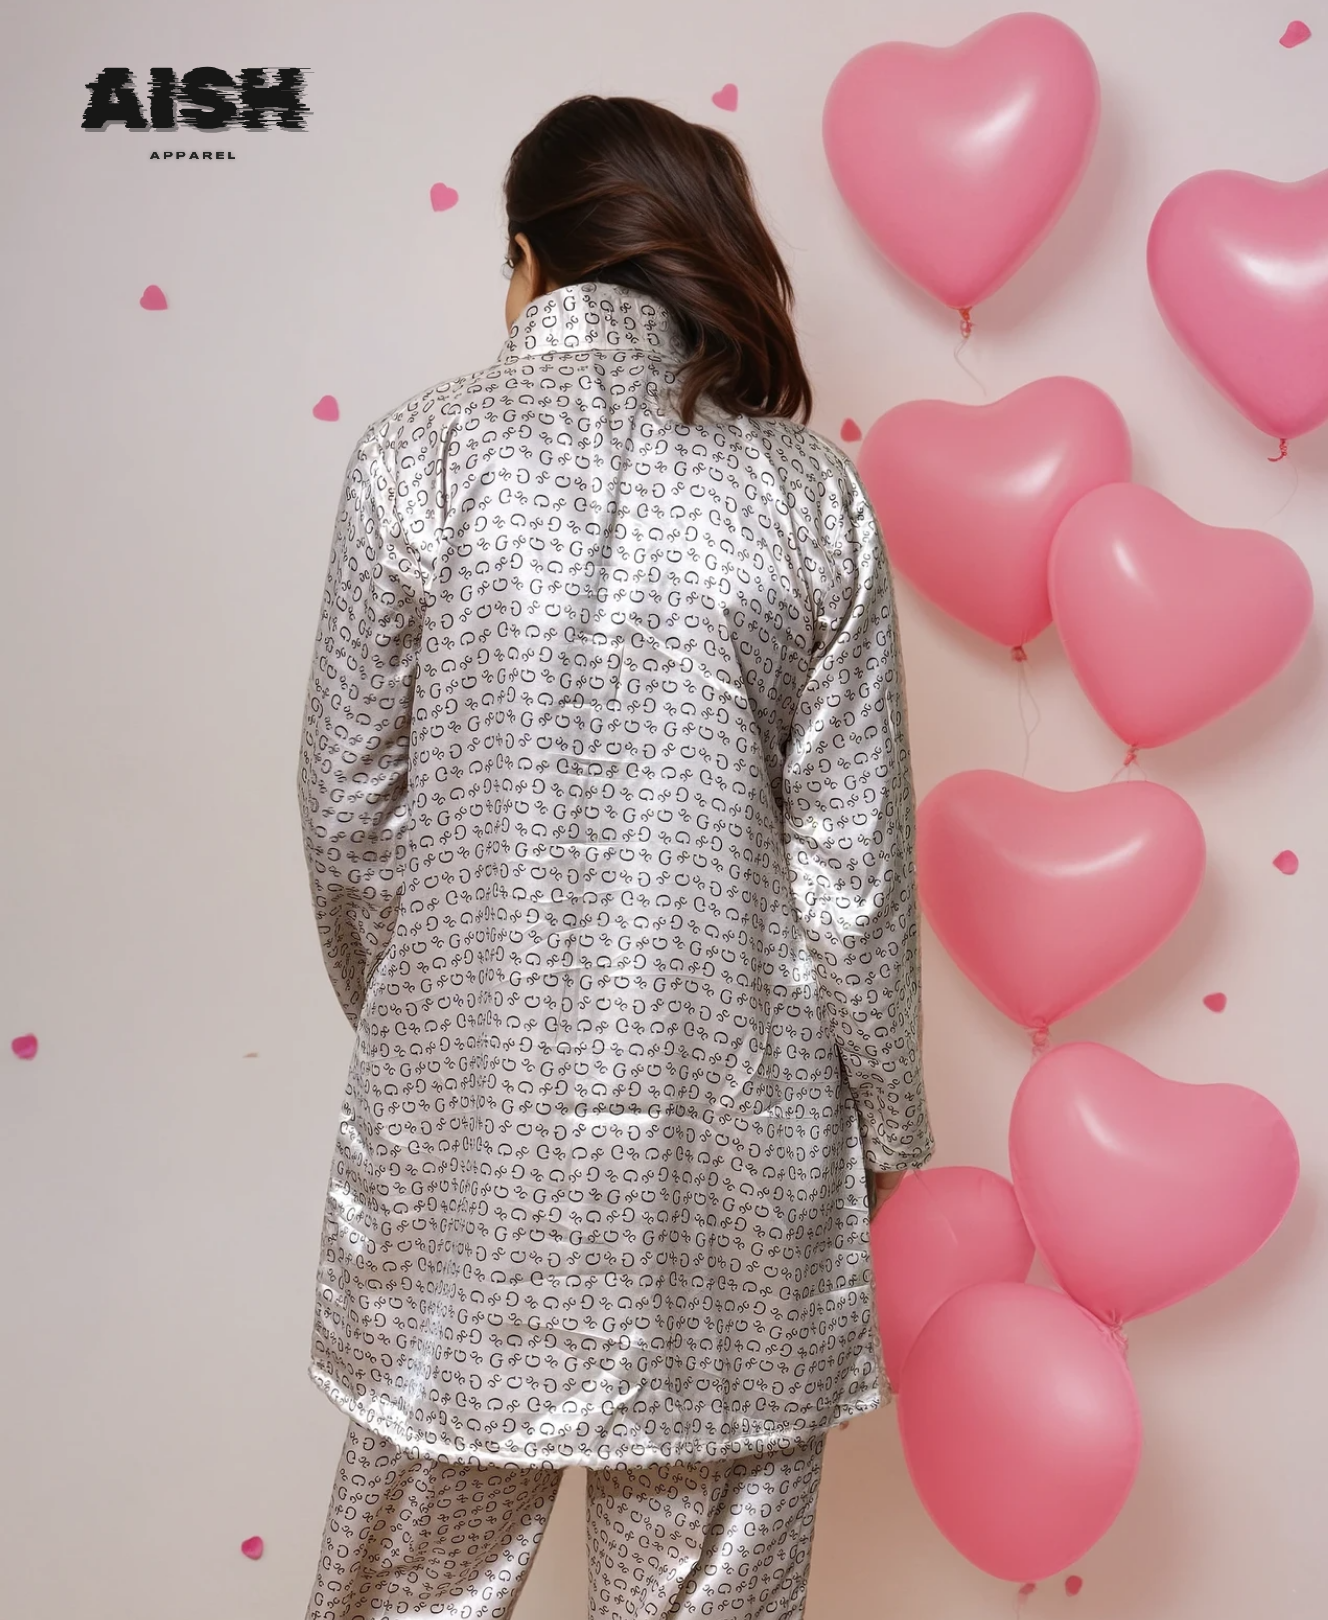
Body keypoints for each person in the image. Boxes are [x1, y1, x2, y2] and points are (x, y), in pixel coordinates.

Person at [295, 93, 934, 1620]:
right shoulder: (804, 493)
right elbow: (854, 872)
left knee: (411, 1570)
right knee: (703, 1585)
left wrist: (426, 1022)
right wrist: (891, 1131)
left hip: (467, 1135)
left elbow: (348, 814)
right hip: (732, 1143)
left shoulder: (417, 462)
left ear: (527, 257)